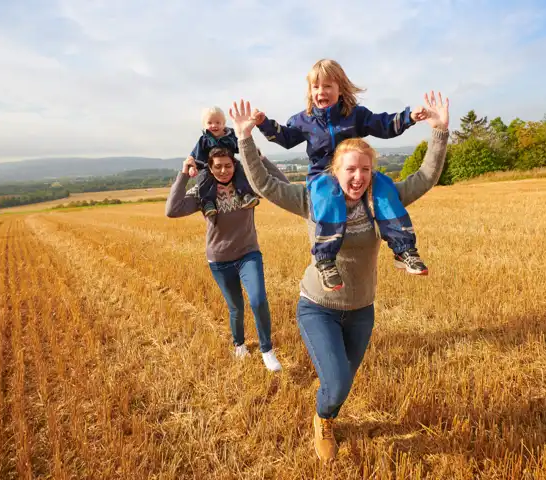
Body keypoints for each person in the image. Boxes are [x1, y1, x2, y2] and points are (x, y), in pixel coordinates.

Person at [229, 91, 450, 461]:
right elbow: (266, 186)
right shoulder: (312, 200)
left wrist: (440, 131)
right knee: (338, 382)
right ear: (336, 170)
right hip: (318, 306)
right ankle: (323, 420)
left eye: (365, 169)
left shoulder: (383, 199)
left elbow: (425, 177)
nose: (359, 176)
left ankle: (328, 406)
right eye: (350, 169)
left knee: (342, 384)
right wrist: (244, 138)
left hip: (362, 309)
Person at [252, 59, 430, 292]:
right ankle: (325, 260)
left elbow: (384, 125)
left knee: (384, 185)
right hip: (322, 176)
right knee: (329, 194)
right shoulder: (303, 120)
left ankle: (403, 249)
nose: (321, 92)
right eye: (315, 87)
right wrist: (264, 123)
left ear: (340, 88)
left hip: (355, 173)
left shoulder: (355, 115)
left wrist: (409, 117)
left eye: (327, 86)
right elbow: (285, 138)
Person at [165, 145, 284, 372]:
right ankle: (239, 345)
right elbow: (172, 210)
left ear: (235, 165)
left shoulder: (247, 186)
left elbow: (282, 185)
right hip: (219, 259)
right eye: (217, 167)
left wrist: (262, 159)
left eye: (228, 165)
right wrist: (183, 174)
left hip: (249, 253)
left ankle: (267, 350)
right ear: (209, 168)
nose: (223, 171)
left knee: (258, 300)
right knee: (236, 308)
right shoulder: (203, 192)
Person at [185, 106, 260, 218]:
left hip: (231, 165)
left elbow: (242, 146)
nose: (214, 125)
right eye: (209, 123)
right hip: (208, 167)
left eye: (218, 122)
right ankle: (208, 203)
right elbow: (194, 156)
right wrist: (192, 167)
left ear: (224, 123)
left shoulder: (230, 136)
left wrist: (254, 151)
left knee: (240, 170)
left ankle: (246, 195)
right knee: (204, 178)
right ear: (204, 125)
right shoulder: (204, 140)